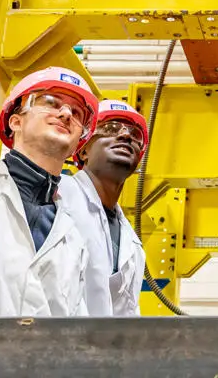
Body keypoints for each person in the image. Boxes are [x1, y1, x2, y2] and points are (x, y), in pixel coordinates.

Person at [0, 68, 97, 316]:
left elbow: (73, 327)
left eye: (77, 113)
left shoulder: (73, 239)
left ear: (79, 143)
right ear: (16, 121)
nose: (66, 113)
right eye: (51, 102)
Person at [63, 99, 149, 317]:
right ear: (82, 151)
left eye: (135, 135)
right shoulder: (57, 197)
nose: (126, 136)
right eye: (110, 128)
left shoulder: (133, 243)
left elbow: (127, 313)